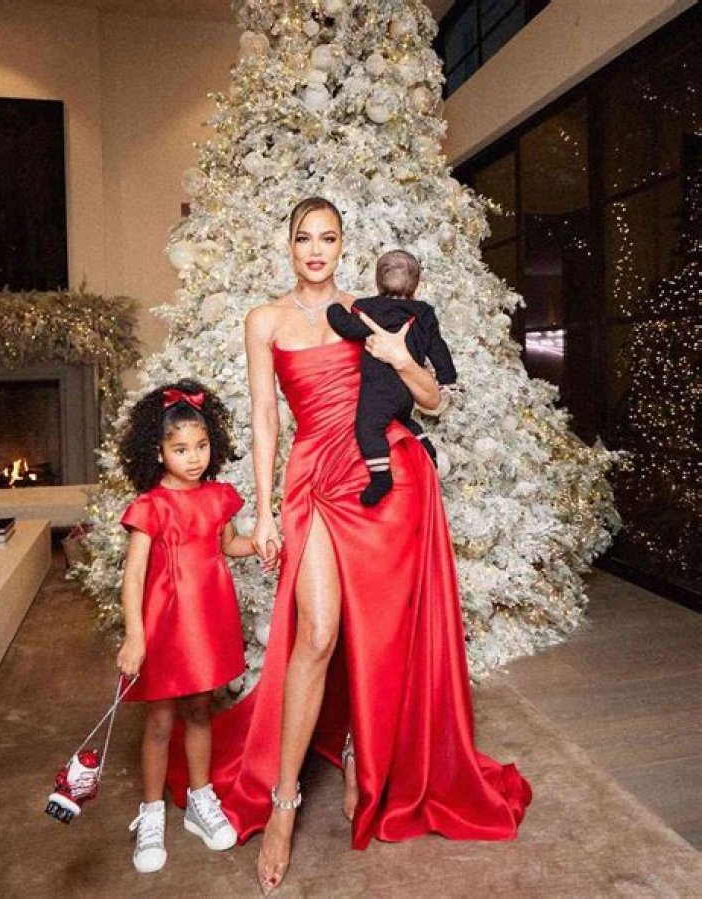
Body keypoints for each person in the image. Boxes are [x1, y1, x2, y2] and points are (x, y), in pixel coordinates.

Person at [166, 198, 531, 896]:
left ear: (342, 246)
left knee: (382, 633)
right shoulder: (265, 319)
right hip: (313, 477)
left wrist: (399, 355)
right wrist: (266, 512)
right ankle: (283, 803)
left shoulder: (370, 312)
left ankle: (366, 750)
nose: (315, 249)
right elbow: (267, 417)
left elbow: (433, 401)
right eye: (304, 237)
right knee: (319, 632)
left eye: (327, 238)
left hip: (385, 476)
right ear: (288, 244)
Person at [116, 379, 274, 874]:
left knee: (201, 710)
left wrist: (266, 542)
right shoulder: (151, 505)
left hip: (206, 622)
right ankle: (151, 811)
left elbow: (230, 546)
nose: (193, 458)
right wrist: (135, 634)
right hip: (164, 625)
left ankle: (200, 801)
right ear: (158, 452)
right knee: (161, 721)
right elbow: (134, 576)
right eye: (181, 449)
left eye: (201, 446)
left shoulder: (219, 497)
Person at [327, 248, 457, 505]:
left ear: (377, 282)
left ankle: (380, 476)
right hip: (406, 392)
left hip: (380, 390)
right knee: (403, 420)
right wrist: (447, 378)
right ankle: (426, 448)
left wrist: (334, 310)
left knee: (368, 427)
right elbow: (438, 348)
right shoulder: (424, 314)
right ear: (416, 287)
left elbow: (348, 327)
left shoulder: (368, 308)